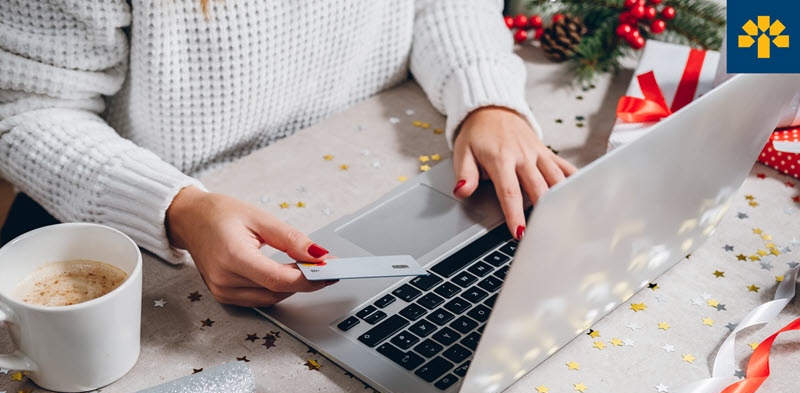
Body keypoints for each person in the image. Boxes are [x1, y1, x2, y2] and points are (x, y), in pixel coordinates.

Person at [0, 0, 575, 307]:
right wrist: (178, 209)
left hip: (387, 160)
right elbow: (24, 111)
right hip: (173, 226)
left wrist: (485, 101)